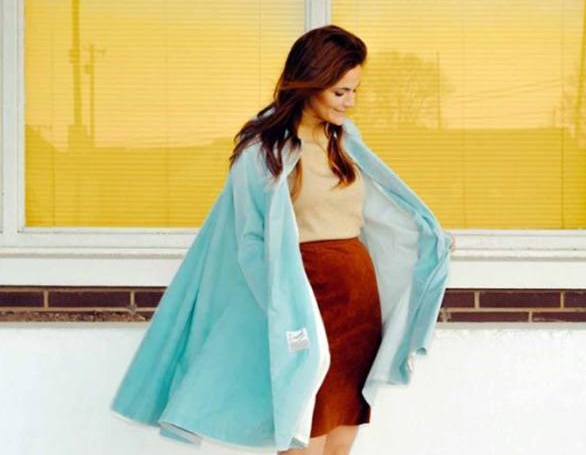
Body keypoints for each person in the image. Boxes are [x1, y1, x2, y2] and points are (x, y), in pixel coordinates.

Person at [110, 24, 456, 454]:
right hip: (306, 299)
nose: (350, 102)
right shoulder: (265, 151)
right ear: (310, 83)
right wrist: (281, 308)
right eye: (340, 92)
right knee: (302, 427)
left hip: (358, 299)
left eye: (354, 91)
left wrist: (430, 240)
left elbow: (382, 211)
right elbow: (250, 240)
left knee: (344, 426)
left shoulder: (345, 141)